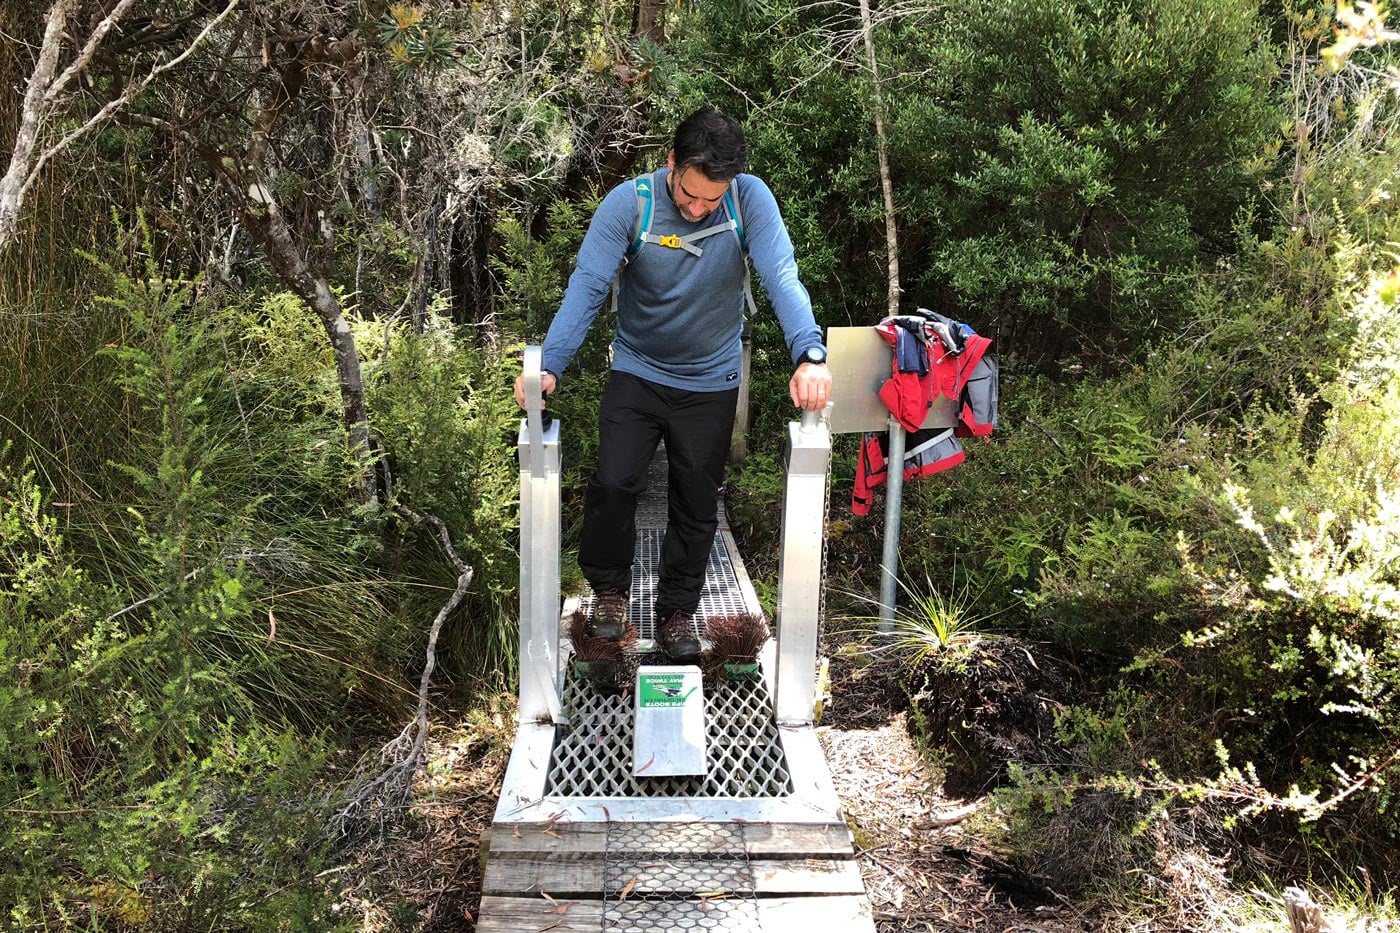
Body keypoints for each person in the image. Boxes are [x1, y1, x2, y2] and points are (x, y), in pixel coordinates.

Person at [513, 108, 831, 662]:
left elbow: (782, 274)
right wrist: (551, 362)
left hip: (711, 379)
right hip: (637, 368)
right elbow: (588, 284)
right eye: (689, 194)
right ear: (671, 164)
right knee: (614, 484)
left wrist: (809, 352)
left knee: (696, 501)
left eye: (712, 199)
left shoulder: (749, 200)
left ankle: (678, 612)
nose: (698, 207)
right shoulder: (630, 203)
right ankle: (609, 593)